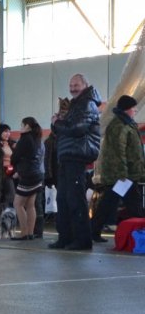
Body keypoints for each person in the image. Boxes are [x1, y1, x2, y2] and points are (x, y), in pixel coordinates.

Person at [49, 73, 101, 250]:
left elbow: (77, 129)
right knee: (63, 199)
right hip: (68, 156)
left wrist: (57, 123)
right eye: (71, 85)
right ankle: (65, 237)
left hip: (76, 157)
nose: (72, 88)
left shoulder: (87, 104)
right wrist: (59, 123)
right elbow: (70, 128)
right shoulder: (76, 105)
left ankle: (82, 240)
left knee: (75, 200)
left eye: (76, 85)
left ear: (85, 85)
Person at [91, 95, 145, 242]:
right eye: (133, 108)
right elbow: (117, 151)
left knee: (109, 202)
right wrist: (123, 174)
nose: (135, 110)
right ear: (127, 109)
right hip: (123, 175)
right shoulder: (119, 126)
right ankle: (141, 232)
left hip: (125, 174)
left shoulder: (126, 124)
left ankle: (94, 230)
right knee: (133, 205)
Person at [10, 117, 44, 240]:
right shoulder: (37, 138)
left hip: (27, 175)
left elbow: (15, 157)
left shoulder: (25, 139)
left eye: (22, 125)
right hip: (37, 174)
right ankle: (30, 233)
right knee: (30, 205)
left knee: (17, 204)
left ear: (27, 126)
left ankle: (24, 233)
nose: (20, 127)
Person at [0, 123, 16, 229]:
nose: (7, 134)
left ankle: (7, 223)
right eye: (5, 131)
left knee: (10, 198)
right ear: (0, 132)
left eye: (9, 131)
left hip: (9, 174)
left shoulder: (11, 144)